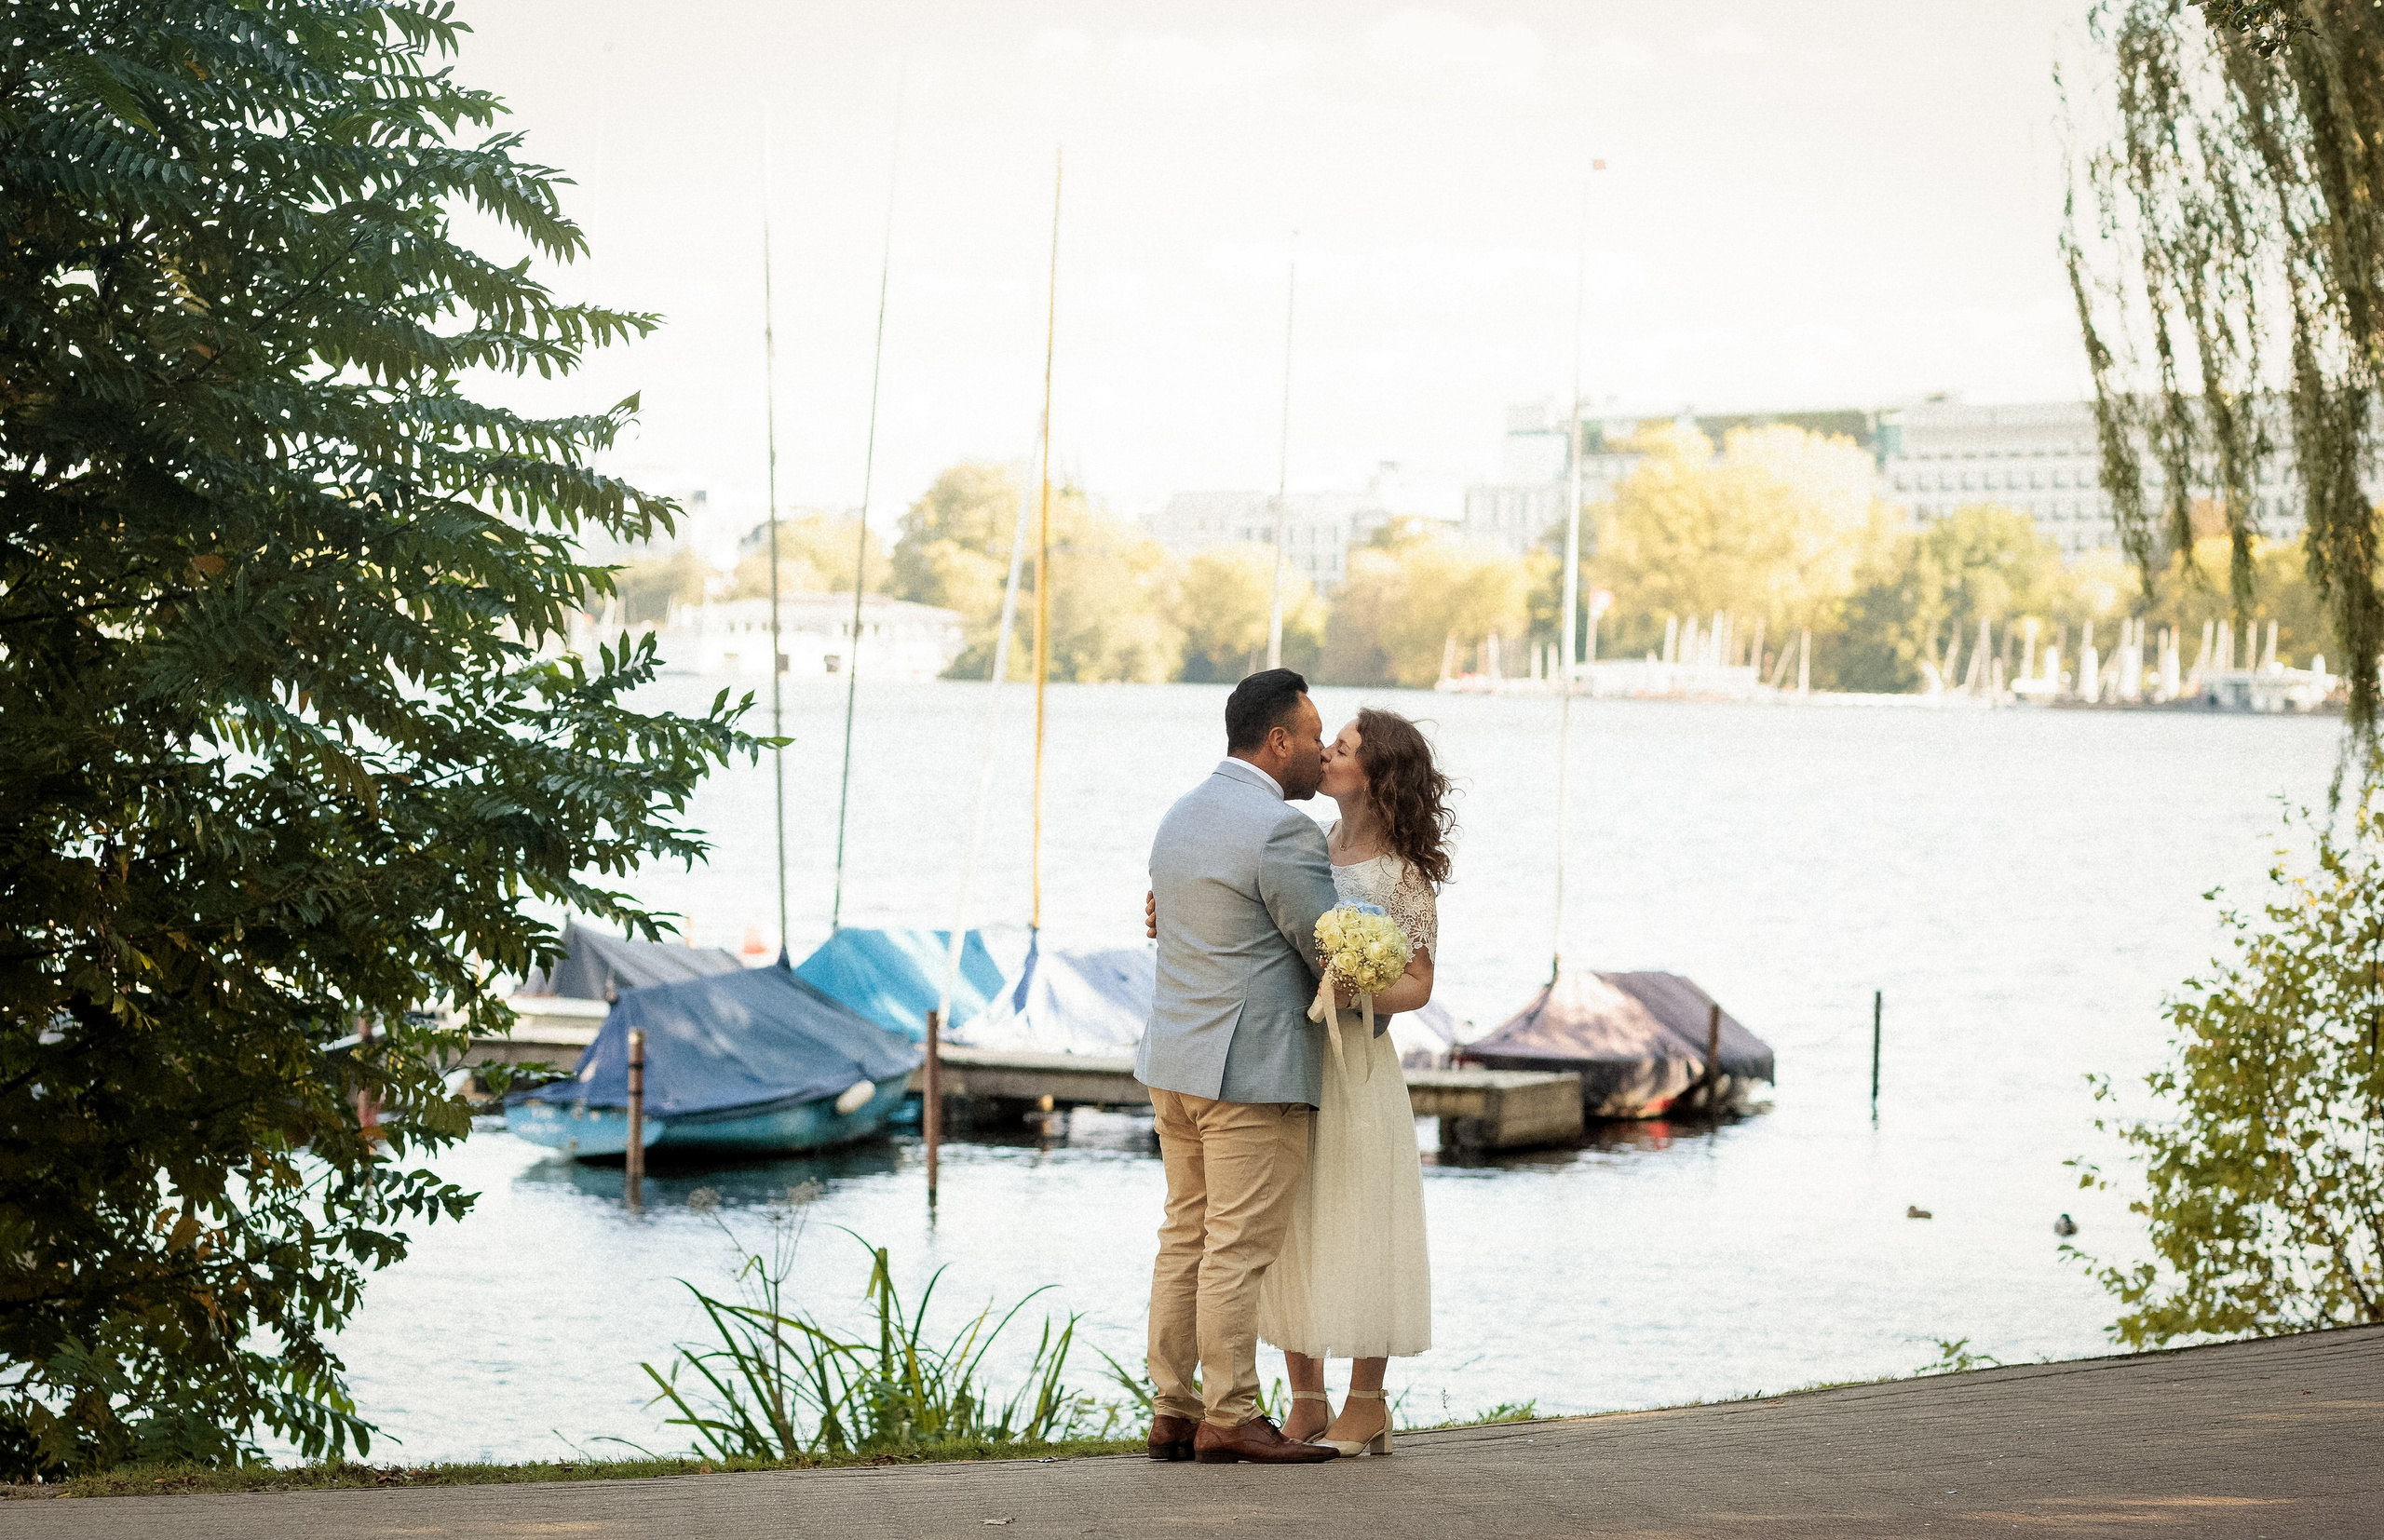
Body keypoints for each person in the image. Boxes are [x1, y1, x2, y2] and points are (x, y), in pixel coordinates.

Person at [1135, 669, 1343, 1466]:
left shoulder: (1179, 816)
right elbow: (1325, 944)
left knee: (1184, 1234)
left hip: (1174, 1065)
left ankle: (1173, 1410)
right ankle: (1230, 1414)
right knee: (1234, 1247)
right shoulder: (1279, 831)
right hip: (1248, 1074)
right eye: (1314, 735)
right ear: (1279, 739)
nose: (1321, 751)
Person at [1256, 708, 1444, 1455]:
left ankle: (1366, 1404)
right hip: (1296, 1060)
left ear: (1377, 773)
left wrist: (1355, 989)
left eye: (1343, 747)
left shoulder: (1402, 871)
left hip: (1361, 1068)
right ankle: (1307, 1400)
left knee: (1366, 1223)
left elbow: (1421, 983)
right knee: (1296, 1220)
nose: (1325, 752)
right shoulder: (1308, 844)